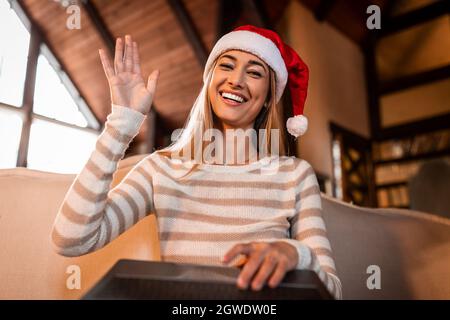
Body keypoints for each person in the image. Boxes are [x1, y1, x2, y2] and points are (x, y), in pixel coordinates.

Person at [51, 25, 342, 299]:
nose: (236, 80)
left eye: (254, 73)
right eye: (226, 66)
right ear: (210, 82)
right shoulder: (161, 169)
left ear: (268, 97)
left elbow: (333, 293)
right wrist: (121, 124)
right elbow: (71, 239)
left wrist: (296, 254)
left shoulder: (295, 175)